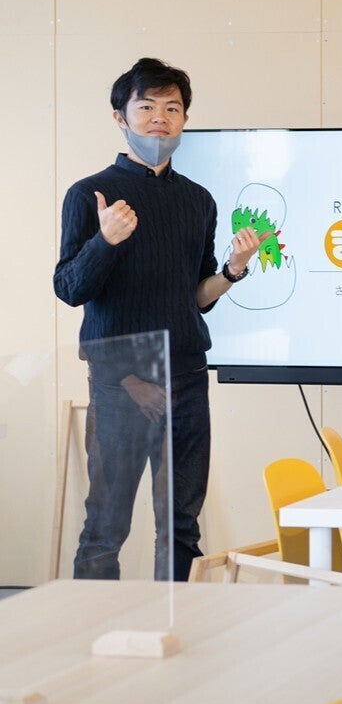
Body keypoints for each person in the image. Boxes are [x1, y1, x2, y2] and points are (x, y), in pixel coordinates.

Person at [55, 58, 266, 581]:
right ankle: (93, 627)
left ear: (184, 120)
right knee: (106, 527)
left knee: (181, 527)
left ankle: (180, 625)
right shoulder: (90, 194)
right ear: (120, 117)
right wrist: (105, 240)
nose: (159, 119)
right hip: (121, 385)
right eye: (146, 106)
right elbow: (70, 288)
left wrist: (234, 269)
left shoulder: (198, 200)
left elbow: (196, 298)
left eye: (172, 108)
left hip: (187, 379)